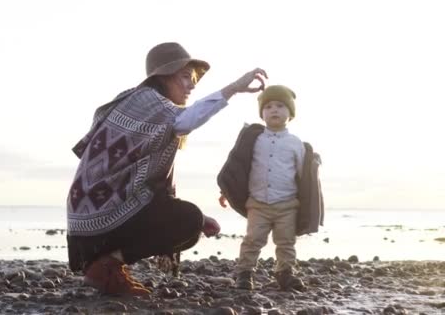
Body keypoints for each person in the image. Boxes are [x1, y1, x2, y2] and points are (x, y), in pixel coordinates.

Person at [66, 42, 267, 296]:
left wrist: (198, 220)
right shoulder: (146, 101)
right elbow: (187, 120)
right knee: (187, 219)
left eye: (193, 78)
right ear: (163, 77)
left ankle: (108, 266)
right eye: (185, 77)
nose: (192, 85)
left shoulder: (138, 102)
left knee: (192, 225)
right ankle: (104, 268)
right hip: (98, 221)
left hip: (90, 222)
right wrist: (235, 88)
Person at [217, 85, 324, 291]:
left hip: (287, 204)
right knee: (252, 240)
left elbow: (304, 178)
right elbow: (240, 167)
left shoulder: (296, 144)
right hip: (258, 203)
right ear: (262, 113)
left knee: (286, 242)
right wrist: (226, 191)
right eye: (268, 107)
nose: (274, 110)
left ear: (290, 113)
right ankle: (245, 274)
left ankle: (285, 273)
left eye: (280, 106)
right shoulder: (254, 139)